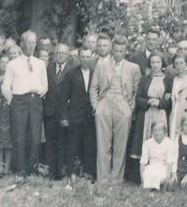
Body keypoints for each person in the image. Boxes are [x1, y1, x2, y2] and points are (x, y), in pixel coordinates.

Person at [89, 35, 141, 185]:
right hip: (105, 105)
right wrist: (96, 106)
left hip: (123, 106)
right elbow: (94, 88)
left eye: (121, 51)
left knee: (120, 145)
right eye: (116, 50)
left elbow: (137, 90)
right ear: (112, 50)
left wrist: (130, 107)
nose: (118, 54)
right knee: (103, 144)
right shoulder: (102, 66)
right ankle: (103, 179)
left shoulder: (133, 68)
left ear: (126, 51)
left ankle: (116, 180)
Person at [2, 30, 47, 175]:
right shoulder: (13, 64)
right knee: (19, 135)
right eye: (29, 42)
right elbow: (5, 87)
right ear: (22, 44)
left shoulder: (40, 64)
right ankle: (19, 170)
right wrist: (12, 101)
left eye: (34, 42)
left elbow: (45, 85)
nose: (32, 45)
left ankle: (32, 168)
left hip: (35, 101)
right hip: (18, 101)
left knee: (35, 135)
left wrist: (38, 94)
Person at [128, 53, 172, 183]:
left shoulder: (168, 80)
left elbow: (170, 100)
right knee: (144, 141)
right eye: (153, 62)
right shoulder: (144, 79)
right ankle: (142, 176)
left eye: (158, 62)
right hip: (146, 115)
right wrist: (148, 102)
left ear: (162, 64)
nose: (155, 65)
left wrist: (160, 103)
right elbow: (138, 97)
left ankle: (161, 176)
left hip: (160, 114)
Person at [58, 47, 97, 180]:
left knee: (88, 145)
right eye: (83, 57)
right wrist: (64, 117)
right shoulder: (71, 74)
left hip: (90, 117)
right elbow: (63, 97)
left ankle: (87, 173)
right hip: (74, 116)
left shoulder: (95, 73)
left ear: (91, 58)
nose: (85, 60)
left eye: (88, 57)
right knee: (72, 145)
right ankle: (70, 172)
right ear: (78, 58)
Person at [43, 43, 72, 180]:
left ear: (68, 55)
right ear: (54, 54)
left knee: (63, 142)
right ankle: (51, 171)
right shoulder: (47, 69)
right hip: (49, 111)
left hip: (64, 112)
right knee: (50, 142)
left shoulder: (72, 70)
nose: (60, 55)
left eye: (63, 53)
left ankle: (61, 170)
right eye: (58, 53)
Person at [139, 119, 174, 191]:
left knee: (157, 175)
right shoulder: (147, 143)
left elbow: (169, 164)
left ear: (164, 132)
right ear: (152, 132)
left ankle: (160, 187)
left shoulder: (169, 143)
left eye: (159, 130)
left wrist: (166, 185)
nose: (157, 133)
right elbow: (143, 162)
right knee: (147, 174)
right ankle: (148, 188)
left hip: (163, 167)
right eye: (155, 130)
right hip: (151, 165)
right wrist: (142, 180)